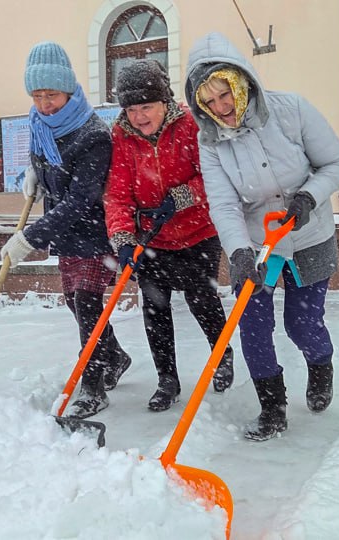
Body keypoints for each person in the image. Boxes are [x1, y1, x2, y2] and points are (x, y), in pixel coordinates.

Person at [184, 33, 339, 441]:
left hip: (308, 232)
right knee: (253, 326)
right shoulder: (210, 143)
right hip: (259, 244)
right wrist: (240, 253)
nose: (222, 109)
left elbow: (336, 161)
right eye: (210, 102)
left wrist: (308, 197)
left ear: (240, 81)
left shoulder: (290, 109)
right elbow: (223, 205)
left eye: (225, 95)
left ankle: (320, 364)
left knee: (302, 323)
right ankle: (272, 408)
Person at [0, 41, 132, 419]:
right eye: (37, 95)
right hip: (66, 233)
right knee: (75, 302)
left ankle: (91, 385)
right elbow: (43, 160)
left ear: (69, 90)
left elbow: (82, 200)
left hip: (95, 232)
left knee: (88, 305)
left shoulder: (92, 135)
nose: (45, 104)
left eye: (52, 95)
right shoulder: (40, 124)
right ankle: (116, 356)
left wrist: (30, 238)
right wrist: (35, 174)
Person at [103, 59, 234, 412]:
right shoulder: (121, 137)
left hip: (198, 232)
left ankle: (222, 355)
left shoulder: (191, 125)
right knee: (155, 308)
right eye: (131, 109)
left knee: (202, 300)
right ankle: (167, 380)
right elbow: (116, 193)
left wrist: (181, 196)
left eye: (146, 106)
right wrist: (123, 238)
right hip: (153, 239)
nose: (139, 116)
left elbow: (214, 175)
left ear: (165, 102)